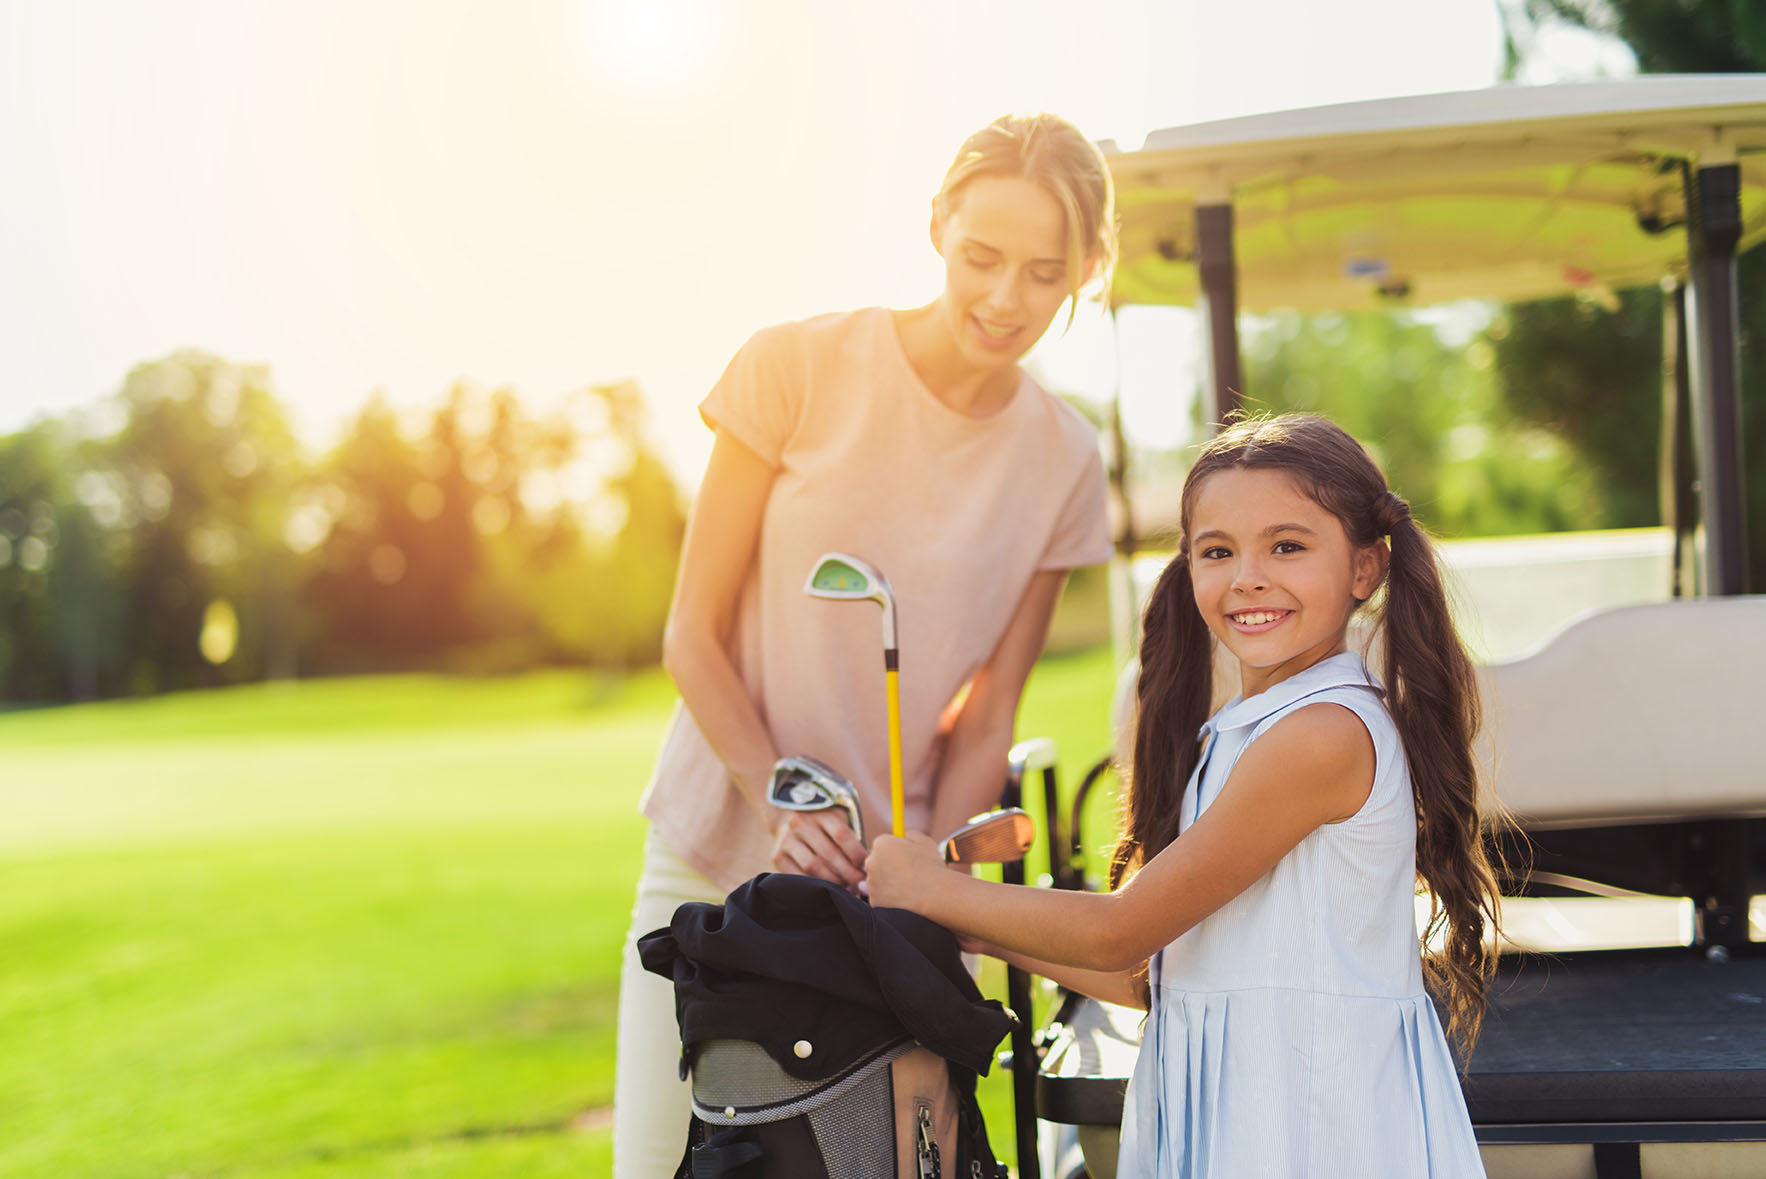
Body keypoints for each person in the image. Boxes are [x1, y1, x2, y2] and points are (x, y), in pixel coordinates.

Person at [613, 112, 1118, 1178]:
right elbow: (689, 637)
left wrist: (930, 882)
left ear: (1085, 268)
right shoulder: (789, 367)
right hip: (718, 856)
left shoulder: (1065, 459)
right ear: (935, 223)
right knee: (664, 1165)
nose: (1001, 299)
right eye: (980, 256)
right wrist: (781, 801)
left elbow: (987, 711)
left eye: (1042, 272)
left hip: (890, 894)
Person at [868, 413, 1503, 1177]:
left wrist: (925, 884)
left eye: (1288, 546)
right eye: (1217, 551)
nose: (1247, 577)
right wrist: (975, 924)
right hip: (1238, 1121)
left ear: (1365, 569)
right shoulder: (1239, 732)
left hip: (1311, 1129)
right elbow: (1154, 975)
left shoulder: (1323, 735)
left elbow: (1121, 931)